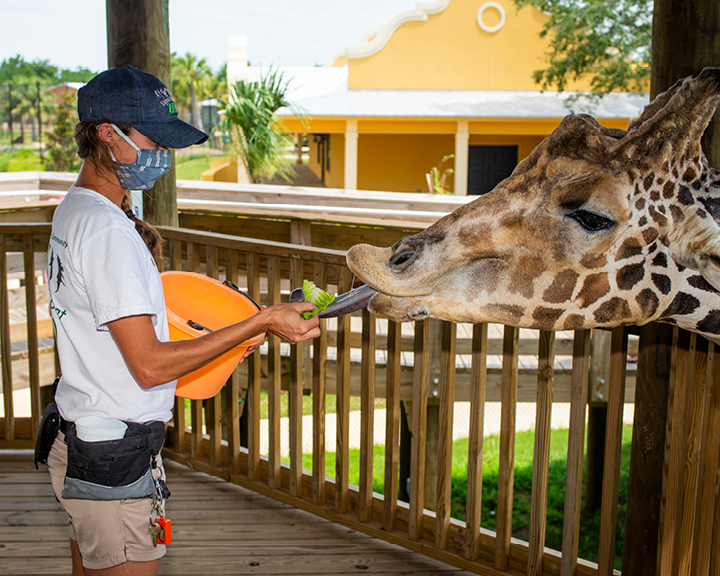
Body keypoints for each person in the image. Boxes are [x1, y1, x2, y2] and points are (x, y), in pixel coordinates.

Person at [44, 65, 320, 576]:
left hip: (80, 434)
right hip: (114, 456)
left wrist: (230, 335)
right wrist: (259, 324)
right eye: (155, 140)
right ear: (108, 135)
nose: (163, 155)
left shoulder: (75, 209)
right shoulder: (107, 232)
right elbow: (149, 366)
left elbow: (117, 333)